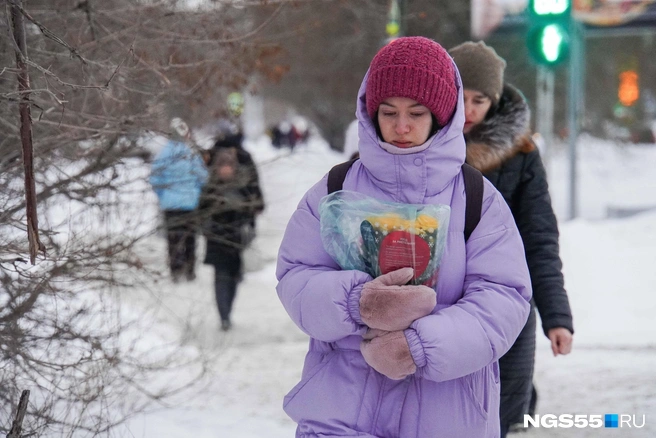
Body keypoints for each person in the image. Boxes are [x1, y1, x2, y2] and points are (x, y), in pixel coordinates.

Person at [276, 37, 532, 437]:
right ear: (370, 112)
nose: (401, 126)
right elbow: (296, 276)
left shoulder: (478, 198)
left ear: (442, 116)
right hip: (343, 412)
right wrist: (357, 302)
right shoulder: (336, 189)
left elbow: (504, 297)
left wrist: (420, 347)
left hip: (445, 413)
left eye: (417, 112)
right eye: (388, 111)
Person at [449, 41, 574, 436]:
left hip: (507, 303)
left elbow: (539, 238)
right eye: (459, 96)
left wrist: (556, 316)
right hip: (442, 303)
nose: (468, 110)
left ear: (495, 101)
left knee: (504, 413)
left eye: (479, 100)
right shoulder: (420, 146)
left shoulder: (520, 155)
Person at [199, 132, 264, 331]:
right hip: (217, 238)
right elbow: (201, 212)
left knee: (233, 276)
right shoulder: (210, 187)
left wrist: (249, 221)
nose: (226, 170)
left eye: (229, 166)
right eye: (222, 166)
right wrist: (208, 227)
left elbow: (256, 203)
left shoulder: (242, 185)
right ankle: (224, 314)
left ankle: (228, 310)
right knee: (221, 276)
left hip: (236, 238)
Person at [150, 118, 208, 282]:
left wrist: (164, 196)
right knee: (190, 237)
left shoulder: (163, 154)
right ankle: (190, 270)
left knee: (173, 238)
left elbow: (155, 179)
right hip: (190, 204)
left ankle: (175, 270)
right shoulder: (190, 153)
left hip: (170, 205)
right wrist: (195, 192)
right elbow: (202, 176)